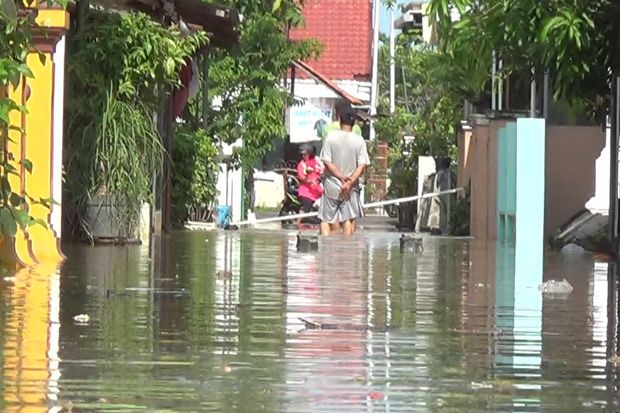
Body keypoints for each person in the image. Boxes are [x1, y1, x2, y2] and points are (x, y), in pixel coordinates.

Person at [318, 106, 369, 236]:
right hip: (351, 188)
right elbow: (362, 165)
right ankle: (348, 251)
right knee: (347, 219)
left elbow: (327, 161)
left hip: (332, 184)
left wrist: (341, 178)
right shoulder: (359, 141)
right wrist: (349, 182)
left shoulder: (331, 137)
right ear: (354, 122)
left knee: (326, 219)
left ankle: (327, 250)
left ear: (339, 119)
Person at [296, 144, 324, 226]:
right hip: (306, 191)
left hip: (318, 190)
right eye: (303, 155)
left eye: (305, 154)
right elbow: (301, 177)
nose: (303, 156)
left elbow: (323, 170)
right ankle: (297, 222)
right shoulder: (302, 165)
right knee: (306, 205)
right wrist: (310, 181)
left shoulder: (317, 162)